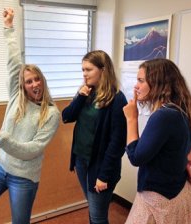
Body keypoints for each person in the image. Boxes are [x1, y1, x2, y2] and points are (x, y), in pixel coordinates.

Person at [0, 8, 60, 224]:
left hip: (24, 177)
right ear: (22, 85)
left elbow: (33, 150)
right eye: (28, 81)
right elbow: (14, 62)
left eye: (37, 79)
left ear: (42, 81)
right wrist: (8, 28)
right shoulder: (17, 97)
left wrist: (5, 141)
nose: (34, 84)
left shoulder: (51, 113)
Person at [123, 58, 191, 223]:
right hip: (177, 190)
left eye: (141, 80)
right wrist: (183, 162)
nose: (136, 86)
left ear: (159, 84)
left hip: (158, 198)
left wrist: (132, 118)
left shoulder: (163, 115)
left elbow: (136, 157)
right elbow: (186, 147)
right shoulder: (181, 109)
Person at [62, 50, 127, 224]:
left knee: (98, 217)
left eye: (88, 69)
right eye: (82, 70)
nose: (84, 74)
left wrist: (104, 176)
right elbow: (66, 117)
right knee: (93, 209)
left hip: (100, 167)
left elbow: (118, 143)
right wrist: (80, 97)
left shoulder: (117, 99)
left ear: (103, 70)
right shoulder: (86, 93)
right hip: (82, 161)